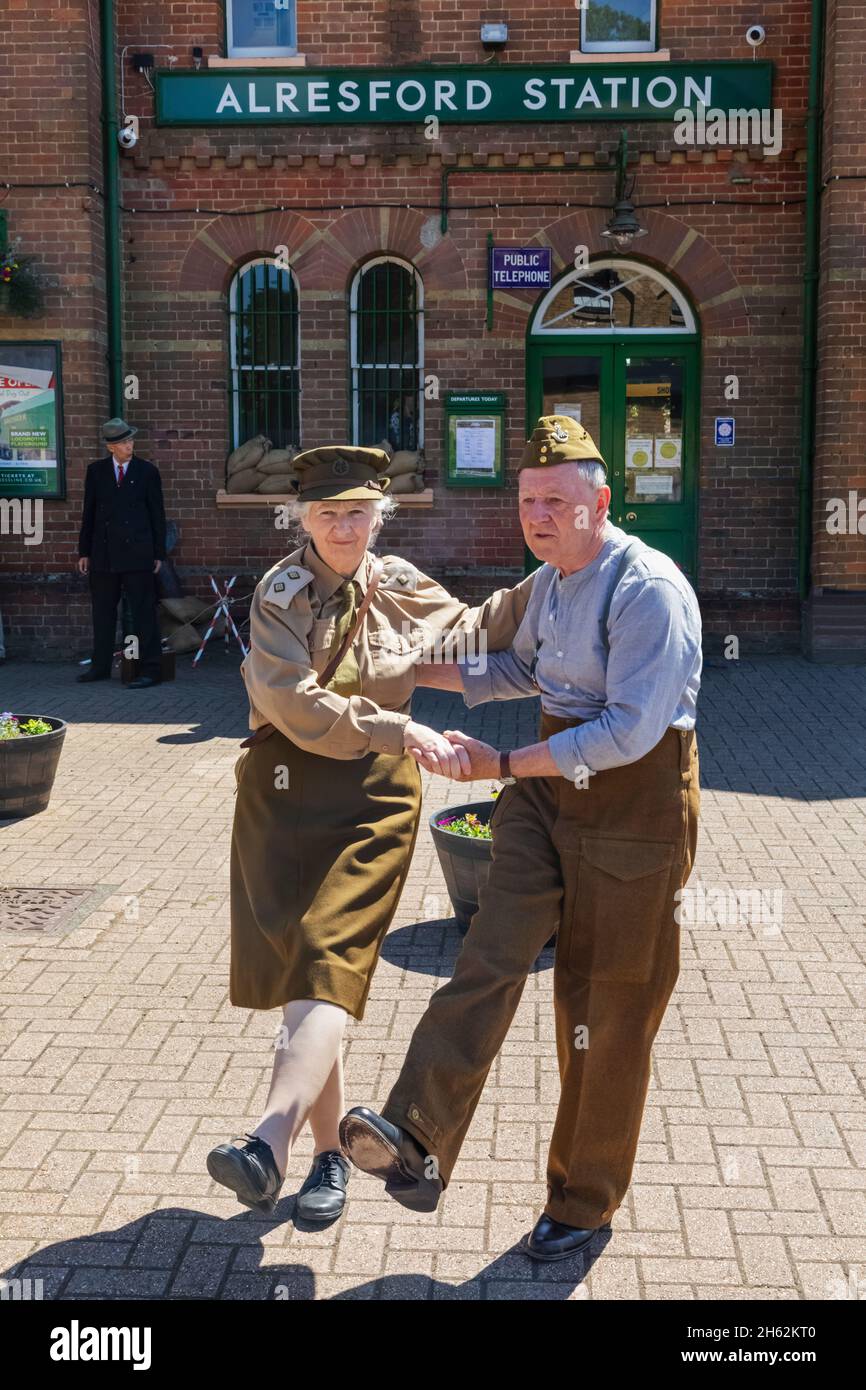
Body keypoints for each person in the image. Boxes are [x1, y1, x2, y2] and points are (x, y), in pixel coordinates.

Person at [340, 414, 703, 1261]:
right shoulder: (549, 581)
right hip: (546, 793)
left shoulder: (648, 588)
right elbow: (517, 669)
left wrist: (501, 761)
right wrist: (396, 669)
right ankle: (417, 1137)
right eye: (528, 501)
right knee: (490, 952)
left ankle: (583, 1200)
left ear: (601, 502)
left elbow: (625, 732)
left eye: (556, 501)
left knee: (603, 1006)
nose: (538, 516)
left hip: (632, 804)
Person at [206, 444, 532, 1223]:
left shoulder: (399, 583)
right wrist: (401, 726)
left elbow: (474, 629)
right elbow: (292, 701)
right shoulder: (280, 593)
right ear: (303, 518)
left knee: (329, 957)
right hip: (283, 796)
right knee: (309, 986)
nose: (344, 527)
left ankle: (268, 1139)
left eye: (359, 512)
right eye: (328, 513)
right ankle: (327, 1160)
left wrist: (557, 582)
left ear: (379, 516)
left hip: (375, 800)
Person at [76, 417, 166, 688]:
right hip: (103, 553)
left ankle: (150, 669)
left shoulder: (146, 471)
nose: (129, 445)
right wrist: (84, 551)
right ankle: (100, 666)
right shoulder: (97, 472)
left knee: (143, 613)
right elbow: (88, 513)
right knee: (102, 613)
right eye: (123, 442)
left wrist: (158, 554)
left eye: (130, 440)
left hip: (138, 553)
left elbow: (157, 515)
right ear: (111, 447)